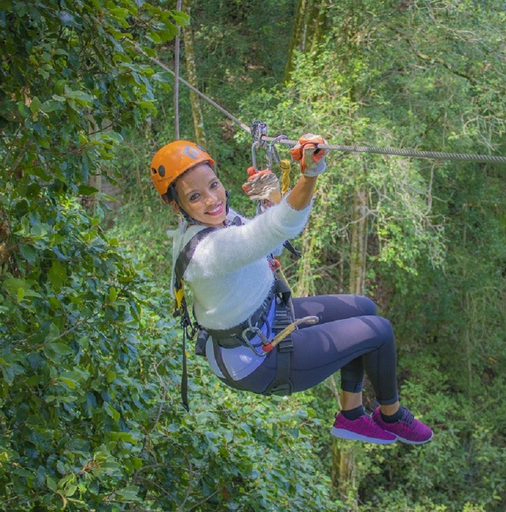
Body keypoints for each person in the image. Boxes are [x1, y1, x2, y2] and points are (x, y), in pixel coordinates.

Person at [149, 136, 433, 445]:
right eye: (195, 196)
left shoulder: (221, 220)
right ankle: (391, 415)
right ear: (175, 205)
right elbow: (270, 232)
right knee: (379, 331)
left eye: (213, 185)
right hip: (256, 360)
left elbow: (269, 242)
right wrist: (309, 175)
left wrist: (273, 198)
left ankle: (352, 415)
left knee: (363, 308)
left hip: (266, 320)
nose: (211, 200)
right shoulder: (207, 251)